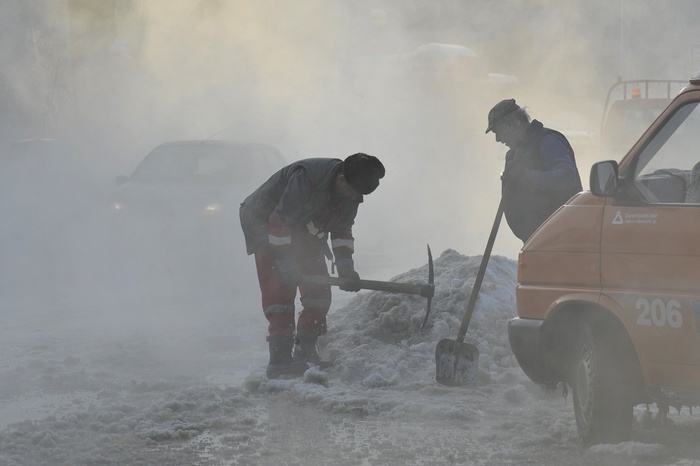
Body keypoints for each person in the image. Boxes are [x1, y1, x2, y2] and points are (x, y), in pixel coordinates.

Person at [239, 153, 385, 379]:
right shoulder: (308, 178)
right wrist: (286, 264)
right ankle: (279, 362)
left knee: (318, 290)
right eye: (354, 192)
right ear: (341, 179)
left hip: (302, 228)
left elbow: (342, 231)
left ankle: (305, 349)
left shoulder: (352, 195)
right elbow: (279, 223)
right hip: (265, 222)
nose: (356, 198)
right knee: (280, 290)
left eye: (360, 195)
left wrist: (346, 268)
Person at [485, 98, 583, 242]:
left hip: (562, 240)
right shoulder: (514, 154)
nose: (497, 139)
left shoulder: (548, 141)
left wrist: (524, 176)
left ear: (511, 124)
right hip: (537, 241)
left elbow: (567, 178)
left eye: (497, 132)